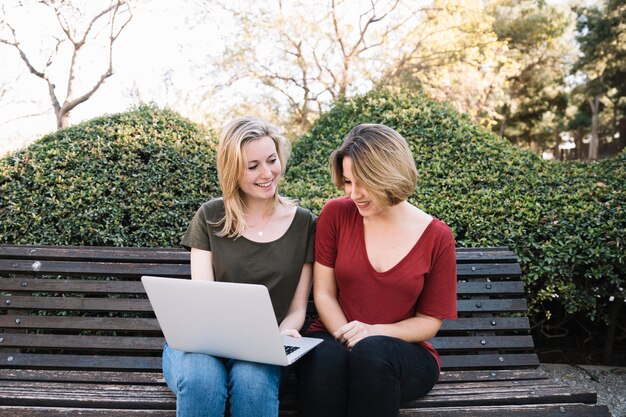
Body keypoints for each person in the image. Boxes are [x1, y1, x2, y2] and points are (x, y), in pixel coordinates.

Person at [297, 123, 457, 417]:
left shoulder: (437, 236)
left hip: (400, 353)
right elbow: (324, 293)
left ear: (389, 175)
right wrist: (348, 338)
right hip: (334, 336)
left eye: (363, 182)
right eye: (347, 182)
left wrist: (372, 333)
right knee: (323, 359)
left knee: (371, 355)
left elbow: (428, 322)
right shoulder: (336, 214)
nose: (354, 193)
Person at [162, 116, 316, 417]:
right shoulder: (211, 216)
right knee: (202, 380)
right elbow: (202, 300)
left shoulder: (304, 223)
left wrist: (286, 333)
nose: (267, 173)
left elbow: (297, 308)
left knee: (253, 381)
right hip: (203, 344)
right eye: (253, 165)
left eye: (272, 160)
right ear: (233, 170)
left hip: (264, 347)